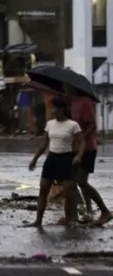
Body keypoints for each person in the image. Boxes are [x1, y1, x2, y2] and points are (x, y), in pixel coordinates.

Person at [26, 97, 84, 228]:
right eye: (51, 108)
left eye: (54, 108)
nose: (52, 111)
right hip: (52, 158)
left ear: (61, 109)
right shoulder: (50, 124)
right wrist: (35, 158)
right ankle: (38, 221)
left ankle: (70, 219)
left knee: (68, 191)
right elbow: (44, 143)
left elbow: (82, 143)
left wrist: (79, 156)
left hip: (66, 159)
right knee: (43, 188)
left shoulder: (72, 125)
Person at [65, 84, 112, 226]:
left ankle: (104, 211)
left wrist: (81, 138)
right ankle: (78, 214)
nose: (64, 89)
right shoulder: (71, 102)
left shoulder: (85, 101)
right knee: (70, 182)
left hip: (88, 148)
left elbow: (92, 125)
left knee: (81, 181)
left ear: (73, 87)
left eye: (66, 87)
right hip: (75, 148)